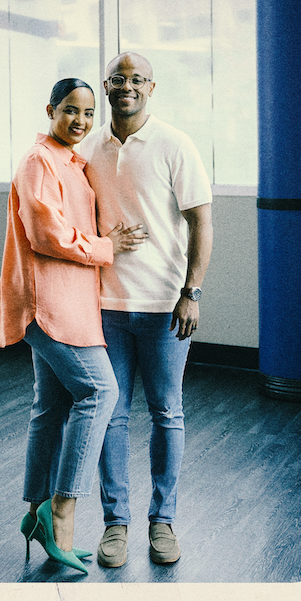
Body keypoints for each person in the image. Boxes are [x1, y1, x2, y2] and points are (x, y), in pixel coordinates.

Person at [0, 78, 146, 575]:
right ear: (50, 110)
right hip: (48, 306)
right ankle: (63, 513)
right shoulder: (40, 162)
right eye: (70, 111)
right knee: (101, 393)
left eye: (88, 114)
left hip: (73, 306)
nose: (80, 121)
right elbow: (46, 232)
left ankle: (34, 514)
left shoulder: (72, 162)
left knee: (50, 406)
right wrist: (106, 246)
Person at [84, 52, 214, 568]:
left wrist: (192, 292)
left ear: (152, 87)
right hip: (104, 306)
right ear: (107, 85)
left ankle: (163, 522)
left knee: (167, 414)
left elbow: (202, 223)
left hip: (164, 307)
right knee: (110, 416)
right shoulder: (88, 146)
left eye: (137, 79)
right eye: (119, 79)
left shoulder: (175, 144)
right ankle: (115, 525)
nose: (127, 87)